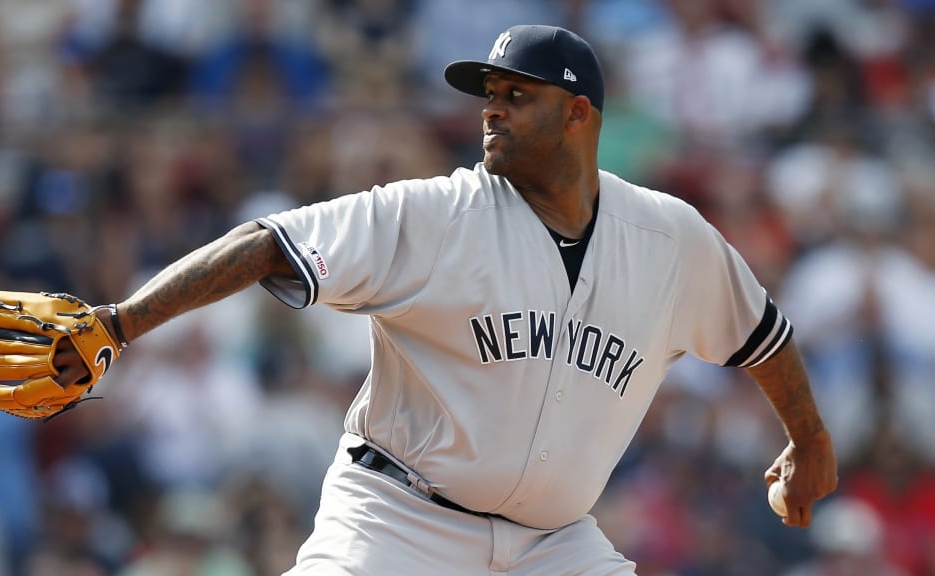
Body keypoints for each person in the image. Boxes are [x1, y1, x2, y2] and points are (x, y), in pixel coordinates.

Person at [54, 25, 839, 575]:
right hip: (397, 522)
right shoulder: (436, 213)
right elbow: (267, 242)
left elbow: (761, 335)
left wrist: (808, 441)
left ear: (578, 115)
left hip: (555, 546)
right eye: (487, 92)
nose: (491, 108)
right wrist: (121, 323)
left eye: (516, 94)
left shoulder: (671, 239)